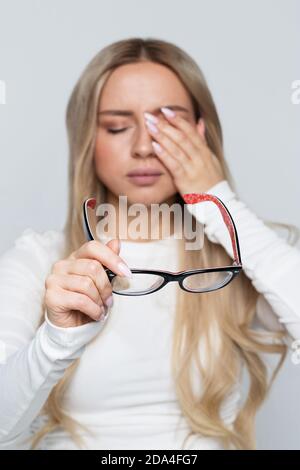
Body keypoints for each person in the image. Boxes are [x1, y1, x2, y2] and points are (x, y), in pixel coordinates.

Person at [0, 37, 299, 451]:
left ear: (200, 132)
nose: (142, 147)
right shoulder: (40, 260)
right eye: (118, 127)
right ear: (88, 138)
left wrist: (217, 199)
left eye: (166, 125)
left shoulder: (241, 259)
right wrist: (55, 340)